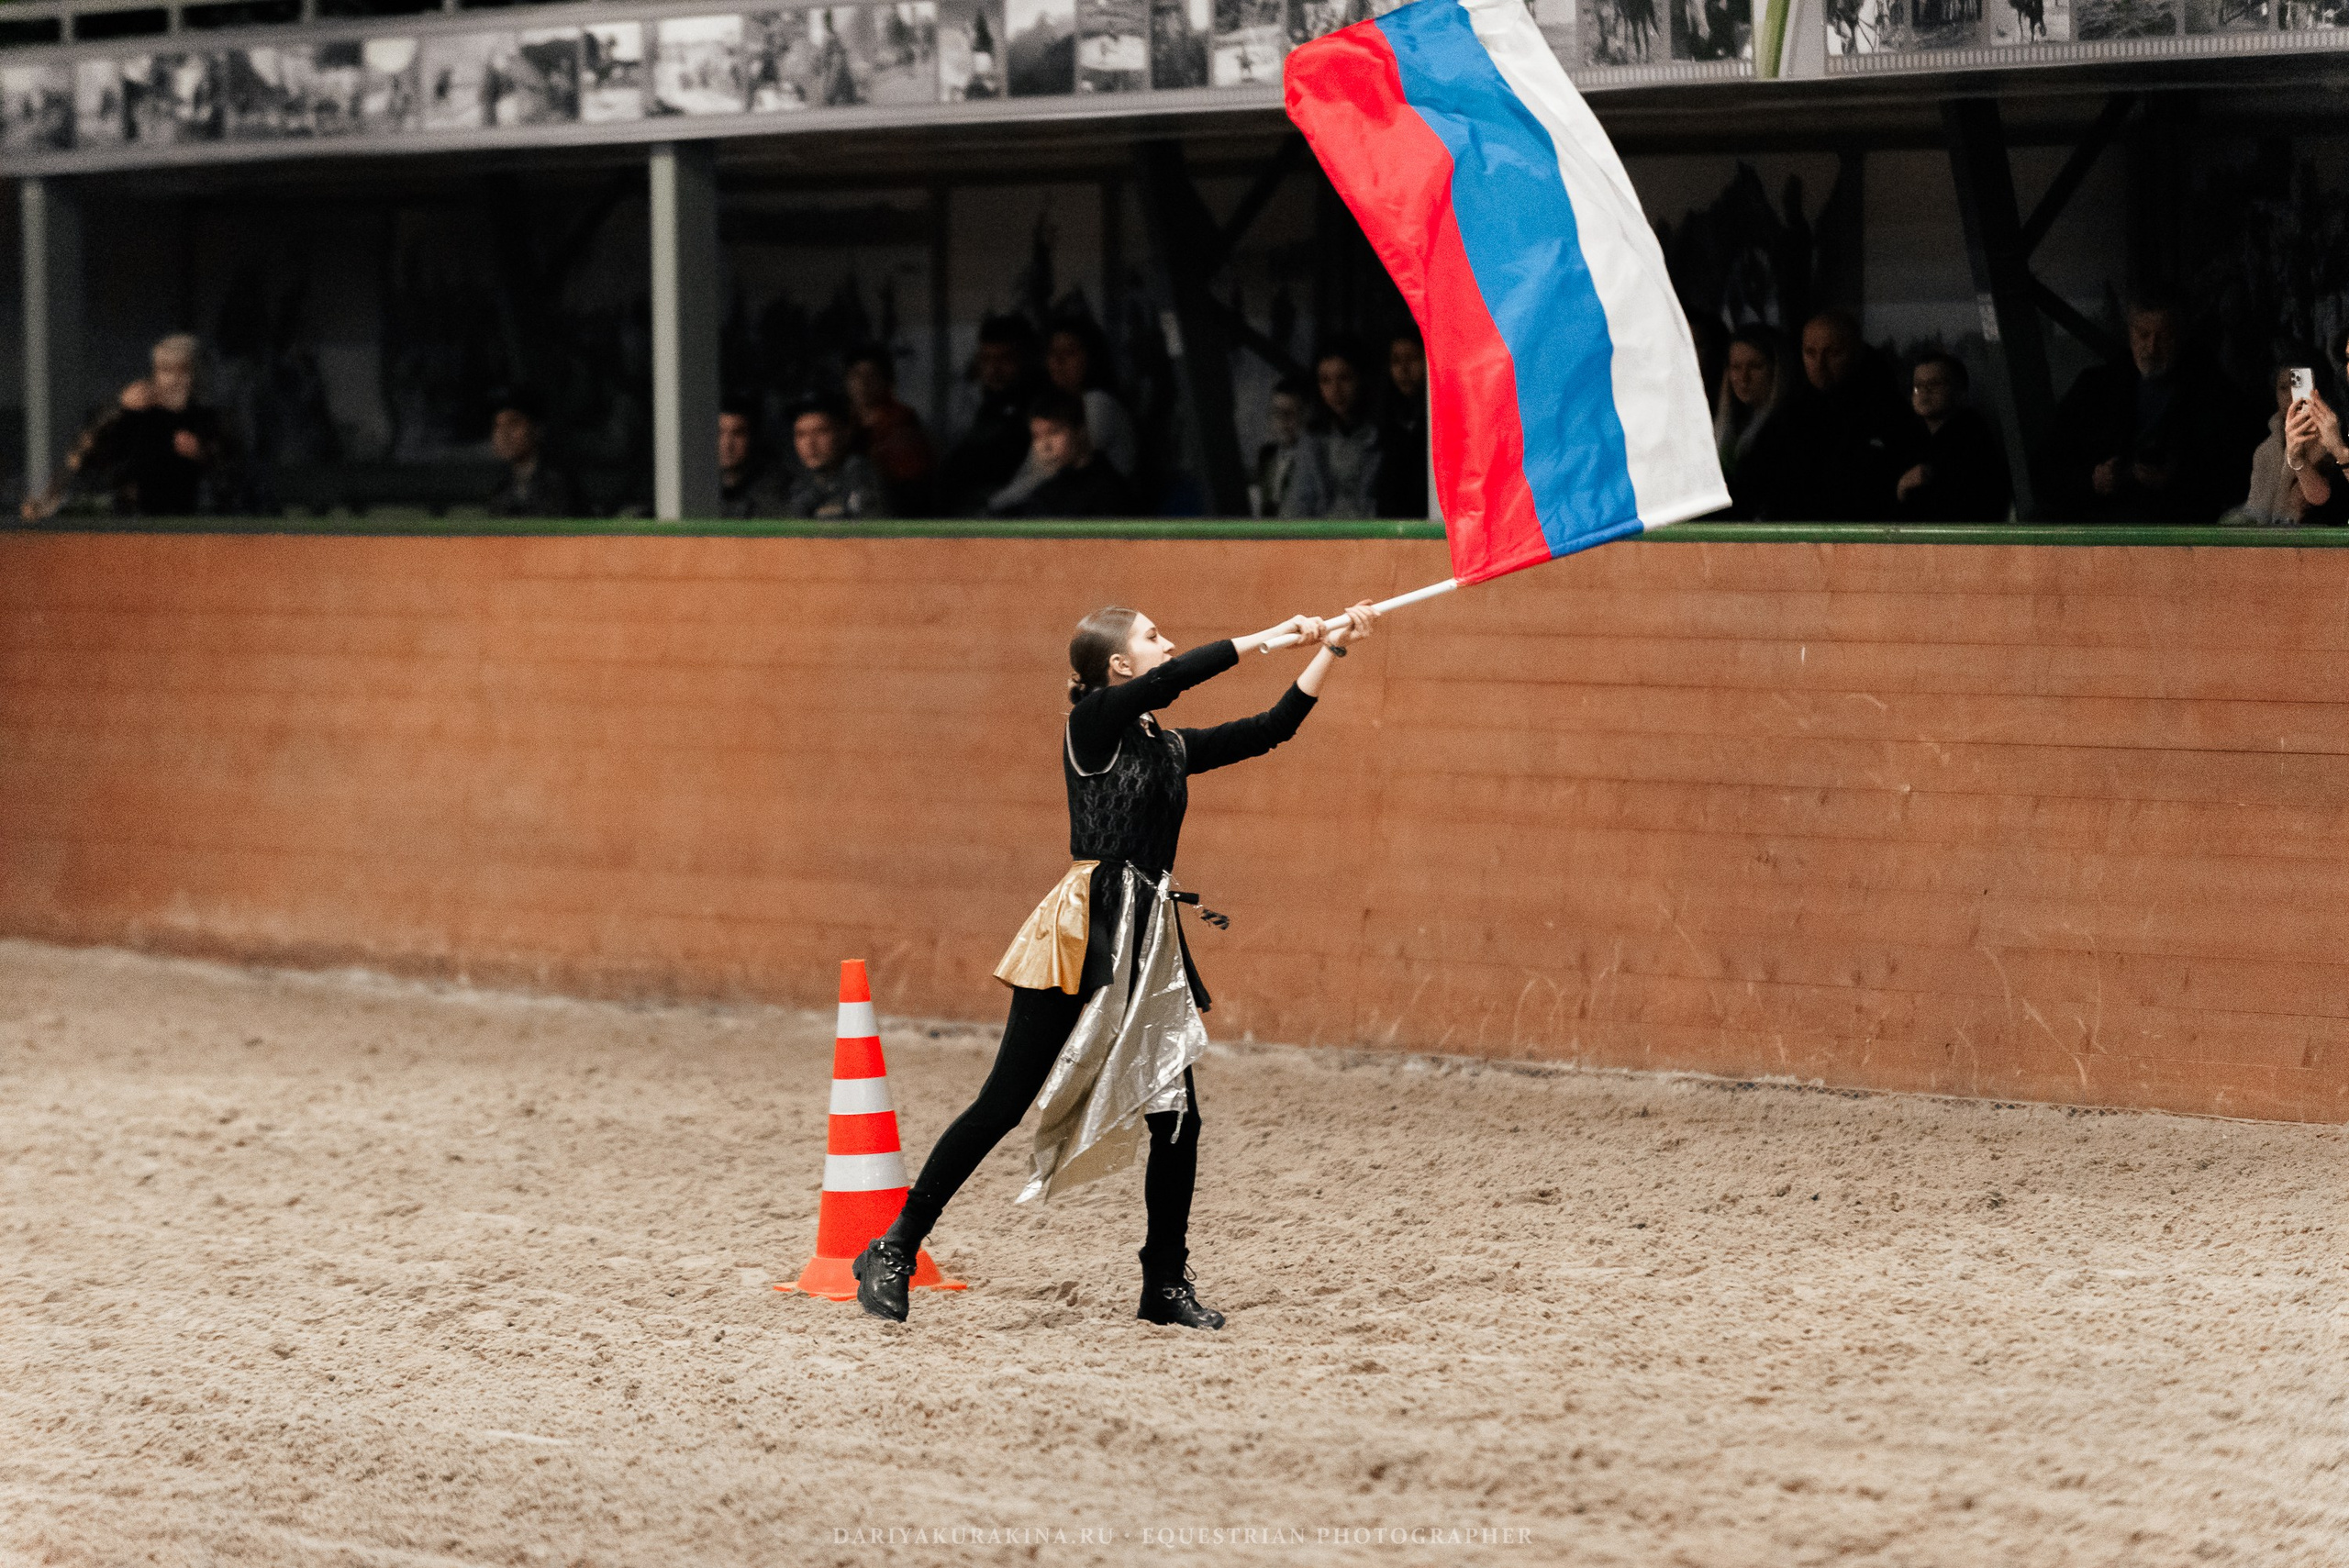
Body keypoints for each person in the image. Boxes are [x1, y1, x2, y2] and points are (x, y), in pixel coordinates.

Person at [851, 599, 1384, 1329]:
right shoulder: (1092, 724)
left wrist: (1333, 649)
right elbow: (1173, 683)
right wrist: (1265, 637)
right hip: (1085, 930)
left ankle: (1161, 1284)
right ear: (1119, 666)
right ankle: (894, 1245)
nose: (1169, 644)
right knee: (1004, 1101)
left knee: (1178, 1118)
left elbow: (1270, 730)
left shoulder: (1164, 745)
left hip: (1149, 935)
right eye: (1154, 637)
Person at [2033, 291, 2256, 524]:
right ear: (2130, 335)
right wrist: (2092, 480)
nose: (2152, 348)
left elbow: (2238, 473)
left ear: (2180, 337)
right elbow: (2044, 469)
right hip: (2100, 522)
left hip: (2178, 526)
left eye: (2164, 337)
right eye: (2143, 335)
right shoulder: (2095, 388)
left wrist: (2178, 479)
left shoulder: (2213, 394)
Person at [21, 333, 235, 520]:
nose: (174, 381)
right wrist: (118, 408)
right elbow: (82, 455)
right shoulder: (133, 412)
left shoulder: (206, 419)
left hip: (184, 520)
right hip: (122, 517)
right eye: (166, 370)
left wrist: (203, 454)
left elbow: (234, 480)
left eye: (184, 372)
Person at [1740, 309, 1920, 521]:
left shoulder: (1890, 415)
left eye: (1833, 353)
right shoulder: (1788, 418)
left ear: (1856, 352)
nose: (1819, 364)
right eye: (1810, 352)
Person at [987, 321, 1140, 514]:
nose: (1058, 361)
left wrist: (993, 507)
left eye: (1069, 353)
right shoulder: (1051, 408)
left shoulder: (1098, 402)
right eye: (1052, 353)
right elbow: (1030, 472)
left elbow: (1049, 473)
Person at [940, 314, 1041, 514]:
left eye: (1005, 359)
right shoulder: (987, 405)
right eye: (986, 359)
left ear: (1026, 359)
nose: (994, 369)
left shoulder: (1039, 407)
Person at [1894, 352, 2010, 521]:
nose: (1923, 391)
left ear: (1960, 393)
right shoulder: (1913, 438)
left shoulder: (1970, 441)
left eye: (1935, 384)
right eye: (1917, 385)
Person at [989, 391, 1135, 518]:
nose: (1045, 446)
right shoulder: (1046, 491)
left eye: (1054, 432)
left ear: (1080, 432)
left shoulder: (1109, 493)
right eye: (1037, 436)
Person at [844, 347, 937, 517]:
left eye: (872, 375)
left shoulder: (902, 425)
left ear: (886, 380)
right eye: (856, 375)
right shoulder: (845, 424)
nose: (863, 383)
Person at [1297, 344, 1380, 518]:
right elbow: (1300, 502)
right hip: (1321, 539)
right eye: (1325, 380)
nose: (1335, 390)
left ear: (1361, 379)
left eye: (1344, 378)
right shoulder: (1312, 439)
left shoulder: (1382, 437)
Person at [2277, 334, 2349, 527]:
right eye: (2348, 359)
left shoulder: (2336, 430)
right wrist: (2298, 460)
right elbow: (2321, 497)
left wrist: (2339, 450)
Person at [1712, 325, 1784, 518]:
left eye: (1755, 367)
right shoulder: (1725, 425)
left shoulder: (1785, 431)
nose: (1743, 378)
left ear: (1776, 370)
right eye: (1736, 367)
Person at [780, 397, 890, 520]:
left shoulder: (860, 474)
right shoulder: (789, 481)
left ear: (844, 433)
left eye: (821, 432)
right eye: (801, 434)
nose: (810, 443)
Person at [2232, 364, 2311, 527]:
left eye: (2297, 385)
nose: (2290, 395)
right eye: (2283, 388)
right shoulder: (2265, 450)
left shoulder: (2327, 442)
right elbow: (2256, 508)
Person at [484, 388, 583, 518]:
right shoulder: (500, 486)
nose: (504, 435)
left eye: (514, 424)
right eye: (497, 426)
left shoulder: (558, 484)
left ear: (537, 429)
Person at [1253, 376, 1330, 518]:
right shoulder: (1267, 455)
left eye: (1290, 413)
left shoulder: (1315, 455)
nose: (1282, 421)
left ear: (1305, 414)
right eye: (1276, 412)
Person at [1374, 329, 1429, 520]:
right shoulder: (1384, 420)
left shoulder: (1436, 421)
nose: (1403, 369)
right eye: (1396, 361)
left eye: (1412, 358)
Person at [718, 396, 785, 518]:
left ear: (753, 439)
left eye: (737, 434)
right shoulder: (698, 489)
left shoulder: (777, 492)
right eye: (719, 433)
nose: (727, 444)